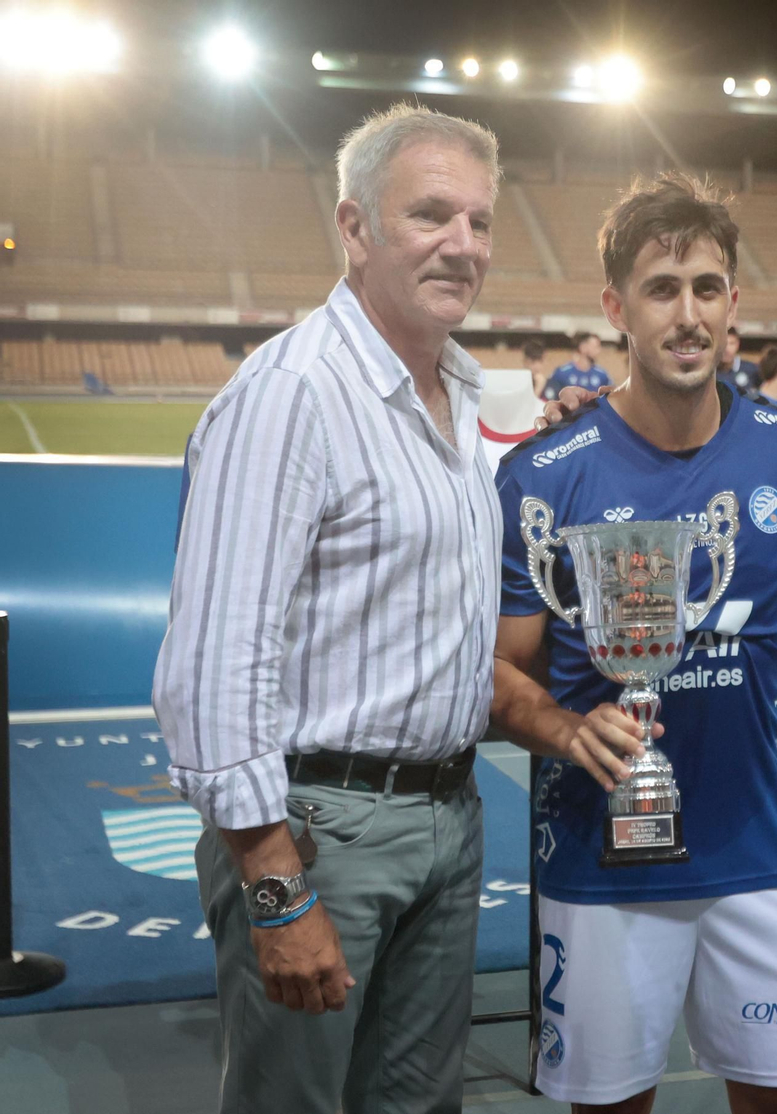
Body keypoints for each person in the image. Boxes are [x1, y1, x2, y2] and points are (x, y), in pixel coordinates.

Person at [491, 172, 777, 1114]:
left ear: (733, 304)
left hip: (757, 849)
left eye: (707, 287)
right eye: (663, 289)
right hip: (599, 858)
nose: (688, 313)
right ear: (616, 306)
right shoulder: (543, 474)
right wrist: (561, 729)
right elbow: (497, 673)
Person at [151, 103, 503, 1114]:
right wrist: (272, 882)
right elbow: (214, 660)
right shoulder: (296, 392)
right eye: (431, 214)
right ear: (354, 228)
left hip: (447, 813)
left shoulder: (456, 390)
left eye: (479, 221)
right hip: (318, 833)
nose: (462, 244)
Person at [719, 324, 761, 392]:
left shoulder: (751, 369)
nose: (726, 349)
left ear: (737, 344)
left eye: (731, 343)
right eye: (723, 343)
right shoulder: (709, 371)